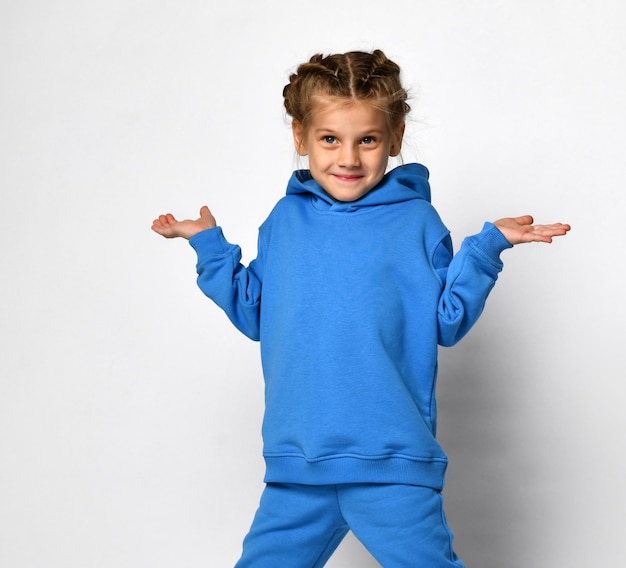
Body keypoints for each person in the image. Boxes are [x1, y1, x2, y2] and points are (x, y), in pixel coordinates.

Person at [151, 50, 570, 567]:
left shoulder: (416, 223)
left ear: (394, 139)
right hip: (297, 467)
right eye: (330, 139)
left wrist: (485, 250)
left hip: (393, 465)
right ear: (301, 137)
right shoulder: (284, 220)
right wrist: (211, 249)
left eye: (367, 140)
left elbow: (447, 322)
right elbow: (257, 315)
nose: (348, 158)